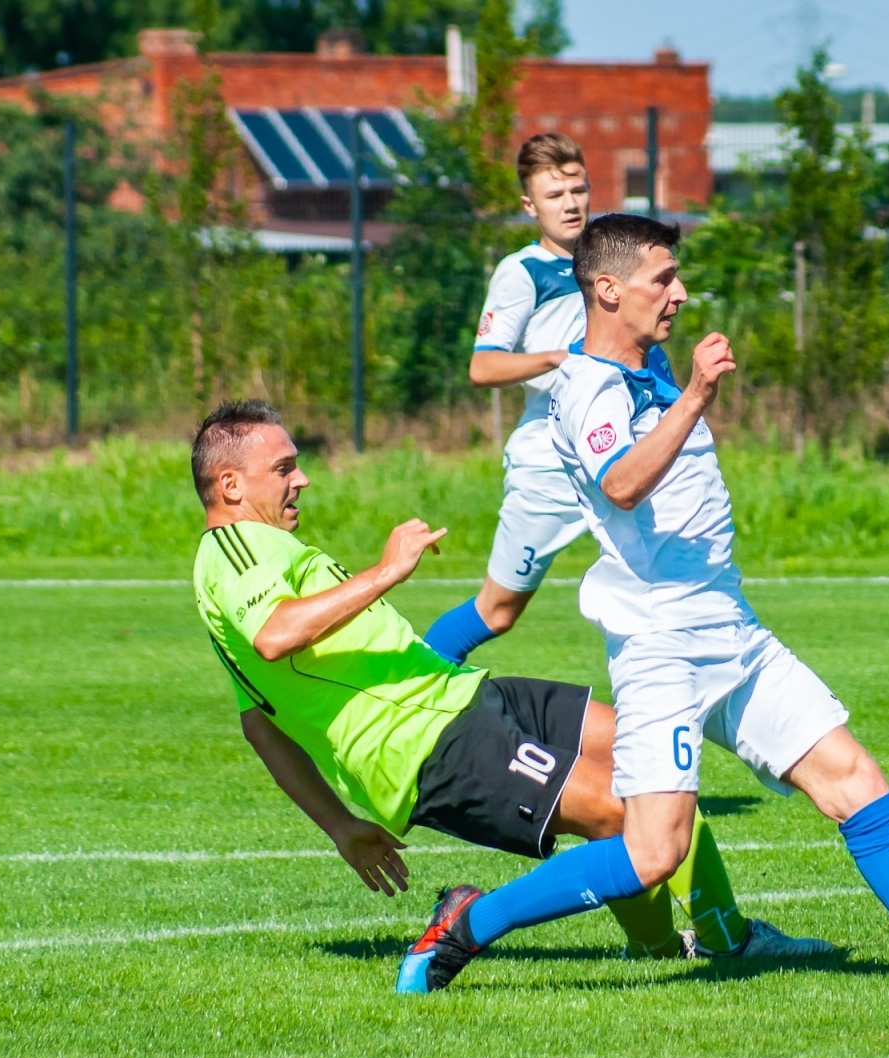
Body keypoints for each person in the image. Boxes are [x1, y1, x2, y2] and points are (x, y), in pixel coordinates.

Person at [395, 215, 889, 988]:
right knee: (655, 851)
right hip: (660, 648)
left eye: (677, 277)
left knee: (855, 780)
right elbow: (620, 483)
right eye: (662, 279)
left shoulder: (649, 362)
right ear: (607, 290)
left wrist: (683, 385)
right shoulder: (585, 389)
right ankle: (468, 923)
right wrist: (699, 396)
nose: (678, 294)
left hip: (732, 632)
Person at [188, 399, 833, 995]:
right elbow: (276, 635)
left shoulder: (254, 556)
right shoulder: (233, 547)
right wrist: (386, 571)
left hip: (459, 695)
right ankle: (659, 943)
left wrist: (340, 827)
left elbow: (259, 724)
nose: (300, 480)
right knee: (622, 813)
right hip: (426, 741)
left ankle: (709, 942)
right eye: (283, 468)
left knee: (657, 754)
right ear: (231, 486)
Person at [424, 132, 594, 665]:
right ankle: (403, 695)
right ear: (529, 205)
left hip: (616, 448)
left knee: (667, 580)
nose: (570, 204)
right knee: (498, 611)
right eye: (553, 195)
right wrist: (558, 358)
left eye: (578, 190)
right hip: (551, 461)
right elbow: (483, 365)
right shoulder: (522, 273)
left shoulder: (609, 256)